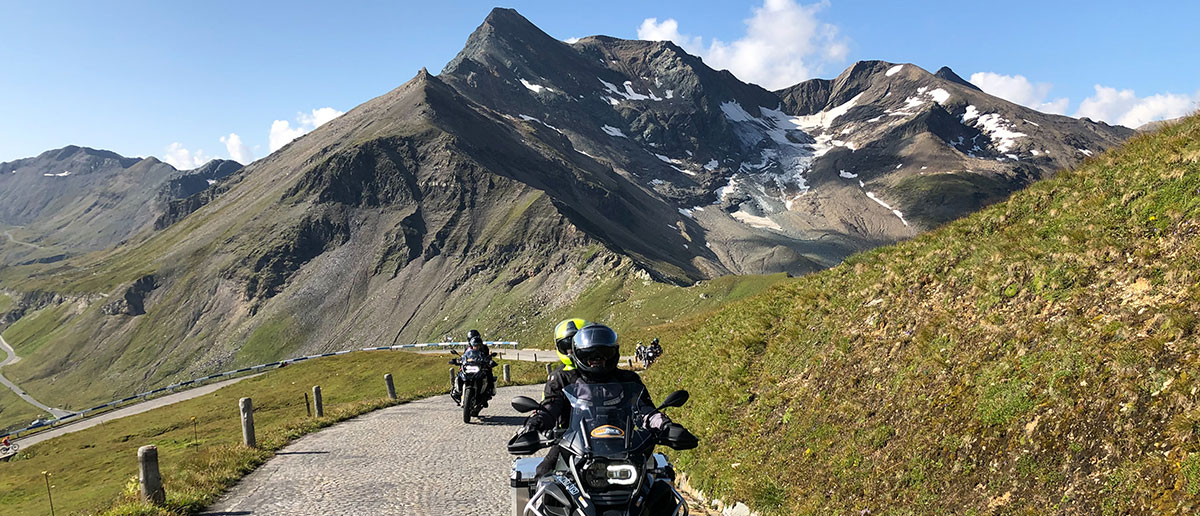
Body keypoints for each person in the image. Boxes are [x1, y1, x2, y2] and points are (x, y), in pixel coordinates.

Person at [516, 323, 696, 476]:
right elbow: (551, 406)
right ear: (579, 355)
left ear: (613, 354)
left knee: (658, 484)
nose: (597, 360)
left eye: (603, 354)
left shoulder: (628, 379)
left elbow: (645, 410)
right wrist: (534, 424)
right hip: (573, 445)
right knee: (544, 474)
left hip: (626, 447)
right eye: (590, 356)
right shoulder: (564, 379)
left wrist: (665, 426)